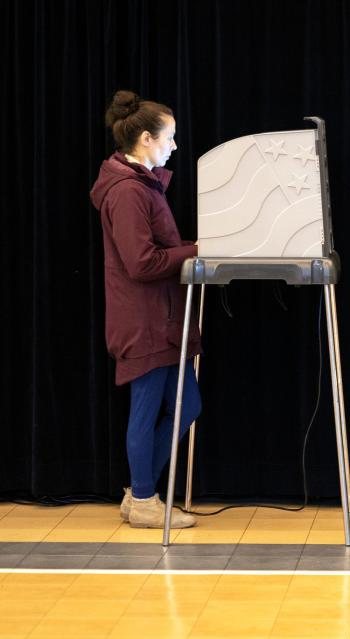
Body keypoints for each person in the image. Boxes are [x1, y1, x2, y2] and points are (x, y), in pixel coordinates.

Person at [90, 90, 200, 529]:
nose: (174, 146)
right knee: (147, 407)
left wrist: (189, 250)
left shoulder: (141, 185)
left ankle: (139, 493)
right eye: (169, 138)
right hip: (144, 321)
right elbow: (142, 262)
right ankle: (144, 499)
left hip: (161, 317)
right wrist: (196, 250)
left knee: (187, 404)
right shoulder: (127, 192)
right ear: (147, 140)